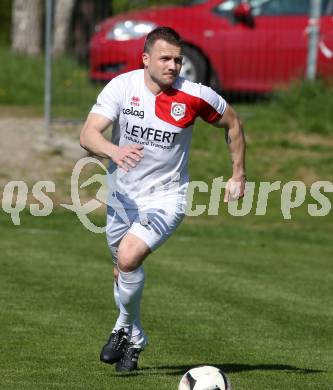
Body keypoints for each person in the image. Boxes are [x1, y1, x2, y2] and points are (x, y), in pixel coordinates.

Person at [80, 26, 246, 372]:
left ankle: (120, 329)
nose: (173, 66)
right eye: (165, 58)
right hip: (122, 197)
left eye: (178, 60)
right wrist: (114, 150)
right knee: (122, 270)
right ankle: (135, 336)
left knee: (127, 258)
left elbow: (232, 123)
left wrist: (238, 174)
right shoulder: (122, 87)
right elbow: (88, 134)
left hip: (167, 198)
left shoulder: (195, 95)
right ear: (145, 59)